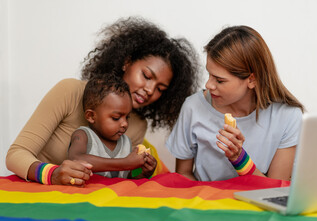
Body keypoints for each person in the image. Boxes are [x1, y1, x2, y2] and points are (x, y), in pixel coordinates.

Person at [6, 17, 200, 186]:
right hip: (37, 193)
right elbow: (16, 154)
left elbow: (116, 177)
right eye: (147, 76)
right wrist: (52, 174)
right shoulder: (70, 92)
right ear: (127, 62)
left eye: (160, 89)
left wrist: (141, 172)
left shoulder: (136, 125)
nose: (150, 90)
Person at [166, 25, 304, 182]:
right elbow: (183, 175)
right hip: (205, 203)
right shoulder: (193, 107)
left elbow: (275, 189)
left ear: (251, 80)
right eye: (209, 74)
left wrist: (239, 159)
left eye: (219, 80)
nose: (209, 85)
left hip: (256, 204)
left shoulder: (287, 116)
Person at [67, 78, 157, 180]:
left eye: (127, 117)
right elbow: (75, 159)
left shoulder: (126, 142)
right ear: (91, 116)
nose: (125, 124)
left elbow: (126, 179)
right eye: (116, 118)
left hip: (115, 194)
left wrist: (144, 172)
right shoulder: (83, 135)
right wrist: (125, 163)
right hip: (89, 194)